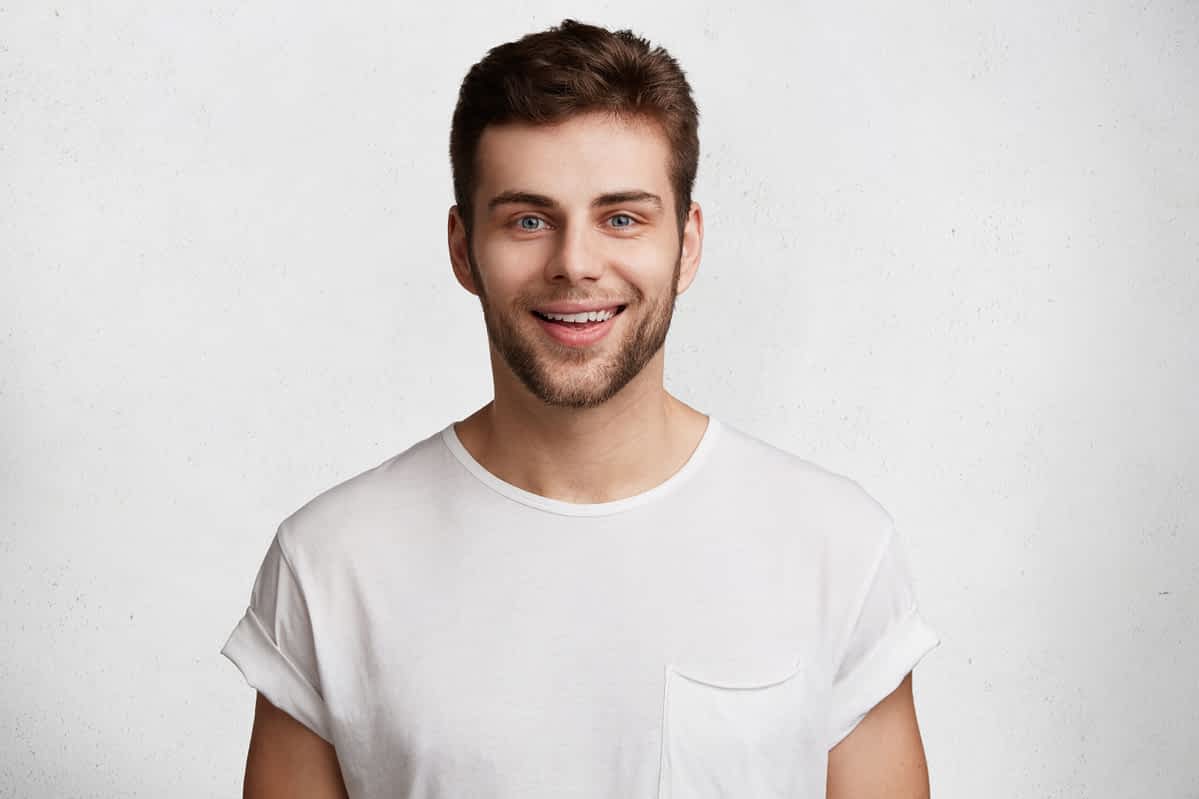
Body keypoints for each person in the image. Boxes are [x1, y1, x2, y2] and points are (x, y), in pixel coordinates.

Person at [221, 18, 940, 799]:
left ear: (686, 244)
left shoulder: (834, 543)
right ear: (463, 249)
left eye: (621, 217)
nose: (575, 263)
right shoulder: (332, 562)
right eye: (528, 220)